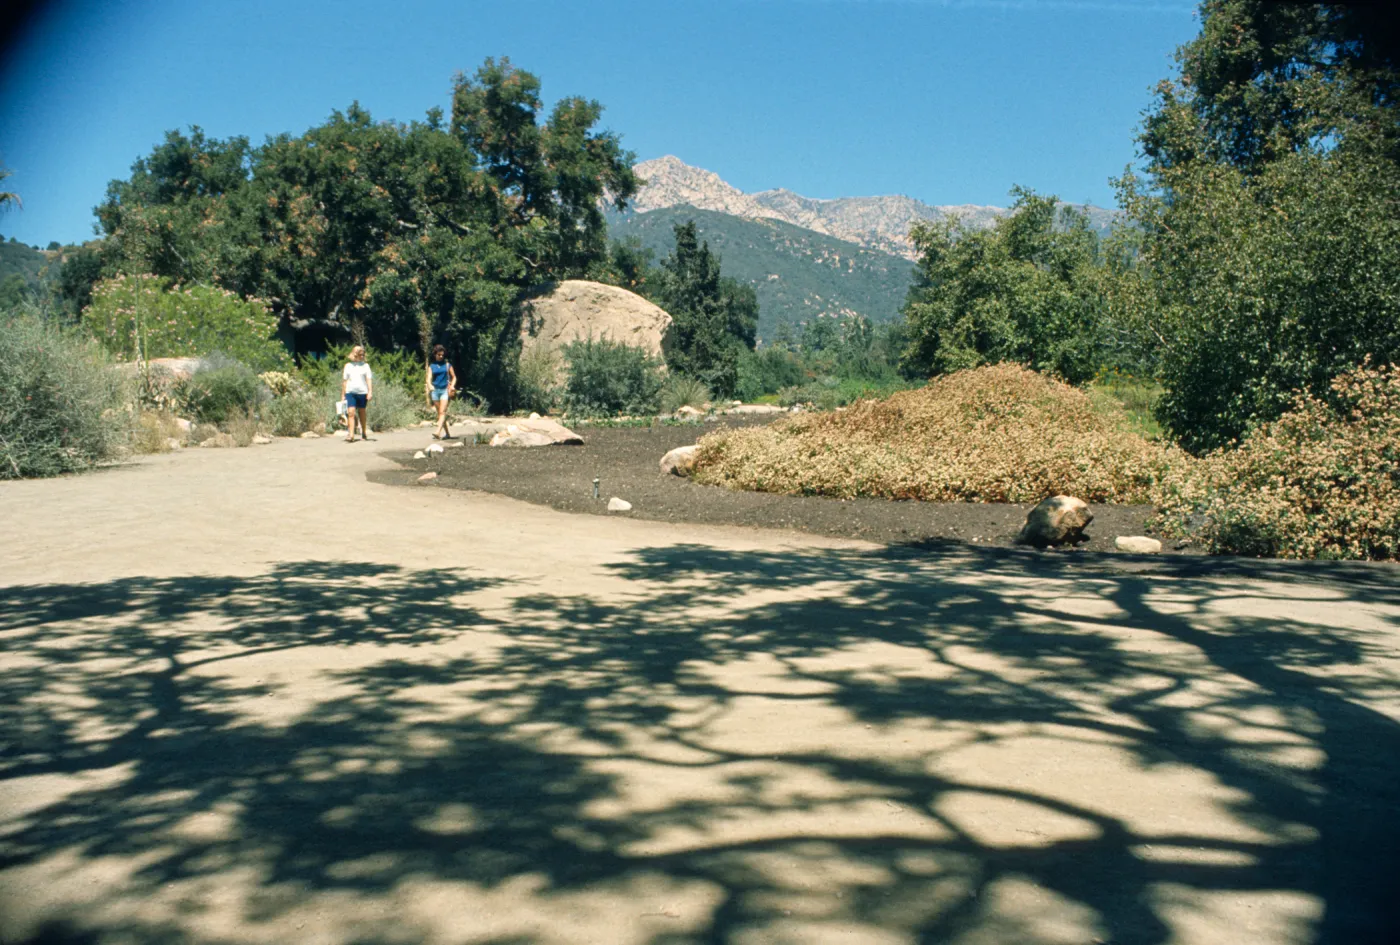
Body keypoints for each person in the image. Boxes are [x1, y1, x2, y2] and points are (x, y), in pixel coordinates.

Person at [341, 345, 373, 442]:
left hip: (362, 392)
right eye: (360, 354)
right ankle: (351, 435)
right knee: (351, 412)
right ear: (355, 355)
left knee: (362, 412)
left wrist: (370, 392)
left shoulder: (366, 366)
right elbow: (345, 381)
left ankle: (363, 432)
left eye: (363, 354)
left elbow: (369, 379)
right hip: (350, 392)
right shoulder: (348, 366)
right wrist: (342, 395)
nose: (362, 356)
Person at [424, 344, 457, 440]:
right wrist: (430, 386)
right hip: (435, 391)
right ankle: (447, 434)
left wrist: (452, 385)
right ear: (435, 354)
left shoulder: (447, 365)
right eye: (439, 354)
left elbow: (454, 376)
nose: (441, 356)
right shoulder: (432, 366)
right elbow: (428, 378)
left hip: (445, 391)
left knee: (442, 412)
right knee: (440, 414)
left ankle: (437, 432)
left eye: (442, 355)